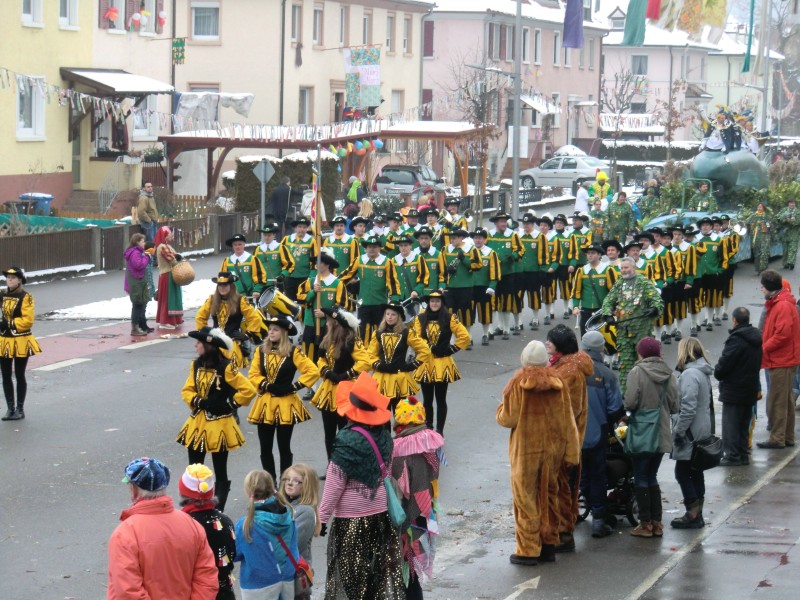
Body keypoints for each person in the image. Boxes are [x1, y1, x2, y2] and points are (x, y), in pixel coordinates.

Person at [318, 372, 404, 599]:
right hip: (381, 517)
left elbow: (334, 484)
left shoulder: (346, 440)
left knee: (351, 582)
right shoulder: (385, 437)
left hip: (351, 522)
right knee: (375, 578)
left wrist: (322, 518)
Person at [497, 340, 579, 565]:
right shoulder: (558, 383)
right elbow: (569, 420)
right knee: (548, 495)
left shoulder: (517, 383)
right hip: (552, 451)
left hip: (525, 451)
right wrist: (572, 453)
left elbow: (508, 418)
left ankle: (528, 548)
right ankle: (549, 545)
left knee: (525, 499)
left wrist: (500, 410)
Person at [108, 457, 218, 600]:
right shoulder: (192, 525)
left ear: (134, 489)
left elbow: (128, 591)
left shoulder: (125, 534)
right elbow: (206, 578)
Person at [176, 327, 257, 511]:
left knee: (220, 471)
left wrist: (229, 404)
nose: (195, 346)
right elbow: (187, 390)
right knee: (194, 470)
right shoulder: (196, 365)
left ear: (208, 345)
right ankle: (193, 509)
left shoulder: (226, 366)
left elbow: (248, 390)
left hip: (220, 425)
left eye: (198, 343)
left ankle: (217, 511)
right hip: (197, 423)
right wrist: (199, 402)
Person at [247, 316, 320, 479]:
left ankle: (286, 483)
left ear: (284, 333)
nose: (271, 332)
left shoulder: (293, 351)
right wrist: (266, 385)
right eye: (270, 329)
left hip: (286, 405)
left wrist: (294, 387)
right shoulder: (260, 350)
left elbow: (313, 371)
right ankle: (269, 483)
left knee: (284, 447)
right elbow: (253, 374)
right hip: (265, 404)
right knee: (265, 448)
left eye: (275, 329)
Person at [623, 337, 679, 538]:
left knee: (641, 476)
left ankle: (645, 523)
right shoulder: (668, 374)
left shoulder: (637, 372)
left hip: (642, 430)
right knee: (652, 476)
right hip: (661, 430)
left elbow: (630, 402)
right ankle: (657, 522)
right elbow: (675, 405)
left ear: (641, 353)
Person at [544, 325, 593, 552]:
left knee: (563, 488)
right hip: (560, 439)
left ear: (560, 346)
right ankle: (560, 531)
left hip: (566, 442)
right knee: (559, 486)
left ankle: (564, 534)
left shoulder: (570, 371)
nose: (547, 344)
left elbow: (570, 410)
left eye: (550, 341)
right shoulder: (560, 365)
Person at [392, 396, 445, 594]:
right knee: (413, 564)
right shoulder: (429, 443)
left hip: (408, 514)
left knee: (407, 569)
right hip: (426, 511)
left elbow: (398, 488)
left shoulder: (400, 449)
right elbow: (434, 474)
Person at [311, 305, 372, 458]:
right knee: (329, 433)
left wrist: (345, 375)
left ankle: (345, 466)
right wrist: (327, 371)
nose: (326, 323)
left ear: (336, 323)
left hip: (346, 391)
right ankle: (331, 466)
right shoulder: (327, 340)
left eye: (329, 321)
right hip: (328, 391)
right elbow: (320, 360)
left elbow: (365, 362)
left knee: (345, 431)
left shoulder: (352, 341)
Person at [580, 331, 623, 538]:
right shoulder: (607, 374)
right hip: (597, 435)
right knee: (597, 476)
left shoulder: (571, 371)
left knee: (579, 476)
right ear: (601, 349)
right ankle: (599, 520)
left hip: (573, 435)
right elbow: (616, 407)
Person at [600, 257, 664, 394]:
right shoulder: (619, 284)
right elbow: (608, 301)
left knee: (645, 362)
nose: (624, 270)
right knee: (625, 363)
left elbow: (657, 300)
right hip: (623, 331)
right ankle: (626, 394)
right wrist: (608, 315)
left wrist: (654, 309)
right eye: (622, 268)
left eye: (626, 268)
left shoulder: (644, 283)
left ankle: (647, 392)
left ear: (633, 268)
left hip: (642, 330)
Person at [411, 290, 471, 435]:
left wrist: (450, 349)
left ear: (442, 302)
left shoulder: (450, 318)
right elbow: (414, 338)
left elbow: (465, 337)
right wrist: (427, 348)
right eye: (432, 301)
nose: (435, 303)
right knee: (427, 400)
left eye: (437, 301)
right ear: (428, 303)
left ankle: (439, 431)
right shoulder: (420, 319)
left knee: (441, 399)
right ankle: (428, 427)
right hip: (425, 363)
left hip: (442, 364)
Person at [234, 469, 300, 600]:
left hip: (258, 585)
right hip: (286, 578)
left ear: (249, 492)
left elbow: (235, 554)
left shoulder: (246, 524)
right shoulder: (289, 513)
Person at [670, 338, 714, 530]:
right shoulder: (703, 372)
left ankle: (693, 513)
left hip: (690, 432)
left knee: (682, 472)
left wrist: (679, 431)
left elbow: (688, 407)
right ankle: (698, 512)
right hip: (702, 428)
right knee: (696, 472)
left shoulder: (689, 375)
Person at [178, 464, 237, 600]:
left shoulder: (183, 525)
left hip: (197, 594)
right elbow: (232, 553)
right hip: (225, 593)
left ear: (183, 494)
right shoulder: (225, 521)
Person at [756, 270, 800, 449]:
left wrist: (763, 348)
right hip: (786, 358)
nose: (761, 290)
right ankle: (786, 435)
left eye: (762, 287)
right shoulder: (783, 303)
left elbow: (782, 335)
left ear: (768, 288)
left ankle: (777, 437)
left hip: (781, 359)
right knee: (786, 399)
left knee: (778, 400)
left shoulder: (781, 305)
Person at [715, 307, 762, 466]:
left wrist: (718, 373)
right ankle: (742, 454)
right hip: (750, 387)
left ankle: (732, 456)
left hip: (734, 389)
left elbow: (725, 364)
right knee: (743, 424)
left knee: (731, 425)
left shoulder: (736, 339)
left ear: (734, 320)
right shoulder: (755, 338)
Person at [368, 302, 430, 413]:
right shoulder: (378, 333)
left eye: (393, 315)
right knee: (382, 416)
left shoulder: (406, 332)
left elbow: (425, 350)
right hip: (382, 379)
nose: (390, 317)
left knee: (400, 416)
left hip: (399, 379)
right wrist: (378, 365)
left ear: (399, 317)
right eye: (387, 314)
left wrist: (412, 366)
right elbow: (370, 354)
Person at [338, 235, 401, 345]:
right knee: (363, 333)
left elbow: (393, 282)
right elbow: (346, 275)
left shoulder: (386, 262)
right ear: (365, 248)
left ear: (379, 248)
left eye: (375, 247)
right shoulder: (359, 260)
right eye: (369, 246)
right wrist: (333, 285)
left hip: (380, 304)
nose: (372, 249)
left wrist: (395, 300)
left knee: (380, 333)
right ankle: (365, 359)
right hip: (364, 304)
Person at [196, 272, 266, 369]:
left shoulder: (240, 300)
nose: (222, 287)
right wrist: (204, 333)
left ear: (231, 286)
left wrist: (248, 334)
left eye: (225, 285)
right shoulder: (212, 300)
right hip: (215, 341)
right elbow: (200, 317)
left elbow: (254, 318)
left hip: (233, 342)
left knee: (232, 371)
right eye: (219, 285)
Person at [0, 267, 41, 421]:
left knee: (19, 374)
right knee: (5, 375)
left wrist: (9, 323)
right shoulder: (3, 295)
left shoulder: (26, 297)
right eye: (8, 278)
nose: (9, 280)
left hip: (21, 340)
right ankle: (10, 408)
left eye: (13, 278)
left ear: (19, 280)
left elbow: (28, 320)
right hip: (4, 340)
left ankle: (20, 409)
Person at [277, 463, 321, 566]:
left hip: (294, 572)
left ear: (306, 485)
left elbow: (291, 545)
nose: (290, 483)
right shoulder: (282, 505)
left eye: (296, 481)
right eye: (287, 479)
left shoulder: (305, 512)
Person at [220, 233, 268, 302]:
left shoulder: (252, 259)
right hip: (232, 298)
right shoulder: (227, 261)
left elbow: (260, 276)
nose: (237, 247)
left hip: (248, 297)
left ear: (244, 245)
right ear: (232, 246)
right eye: (235, 245)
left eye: (240, 244)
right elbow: (222, 279)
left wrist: (257, 290)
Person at [281, 217, 319, 301]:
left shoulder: (311, 241)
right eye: (299, 227)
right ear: (295, 228)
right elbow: (281, 256)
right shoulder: (287, 239)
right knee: (290, 302)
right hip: (289, 277)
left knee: (303, 301)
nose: (302, 229)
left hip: (304, 277)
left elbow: (315, 261)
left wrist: (312, 276)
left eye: (304, 227)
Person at [154, 226, 184, 329]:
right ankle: (165, 321)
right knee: (167, 298)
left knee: (173, 297)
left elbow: (175, 256)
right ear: (165, 235)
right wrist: (179, 259)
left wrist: (179, 258)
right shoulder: (162, 247)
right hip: (167, 275)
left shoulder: (167, 246)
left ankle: (172, 320)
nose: (171, 235)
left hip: (172, 274)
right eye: (170, 233)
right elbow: (172, 260)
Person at [123, 233, 153, 336]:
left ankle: (138, 326)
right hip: (136, 282)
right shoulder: (135, 253)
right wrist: (147, 257)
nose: (144, 243)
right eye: (143, 241)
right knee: (137, 304)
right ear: (137, 242)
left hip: (138, 281)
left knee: (139, 304)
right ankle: (135, 328)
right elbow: (139, 265)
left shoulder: (138, 252)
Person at [253, 221, 295, 287]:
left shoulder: (280, 248)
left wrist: (282, 275)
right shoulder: (258, 249)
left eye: (269, 235)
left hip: (277, 284)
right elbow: (253, 266)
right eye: (265, 235)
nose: (267, 237)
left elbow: (290, 264)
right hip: (261, 285)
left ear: (274, 235)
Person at [745, 202, 772, 275]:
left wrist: (765, 225)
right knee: (757, 254)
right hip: (755, 238)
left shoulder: (767, 216)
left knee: (764, 253)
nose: (759, 208)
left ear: (764, 208)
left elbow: (769, 226)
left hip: (765, 237)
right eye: (758, 207)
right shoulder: (753, 216)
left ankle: (763, 269)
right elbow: (746, 222)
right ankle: (758, 269)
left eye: (761, 207)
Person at [776, 198, 800, 269]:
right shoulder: (784, 210)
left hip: (794, 233)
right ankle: (785, 264)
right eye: (790, 203)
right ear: (788, 204)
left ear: (795, 204)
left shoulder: (798, 212)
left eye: (793, 203)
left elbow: (798, 221)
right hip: (785, 234)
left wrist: (793, 222)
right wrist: (783, 219)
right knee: (785, 250)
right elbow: (777, 218)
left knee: (793, 249)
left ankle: (791, 263)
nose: (792, 204)